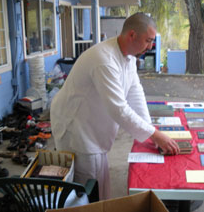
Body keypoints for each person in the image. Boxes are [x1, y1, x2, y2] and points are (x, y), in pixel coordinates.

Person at [50, 12, 180, 200]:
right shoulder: (104, 60)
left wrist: (151, 130)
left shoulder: (128, 56)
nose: (150, 46)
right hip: (76, 129)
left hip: (91, 126)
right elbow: (119, 109)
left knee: (100, 183)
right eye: (148, 40)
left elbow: (136, 93)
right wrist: (155, 135)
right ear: (132, 35)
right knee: (87, 189)